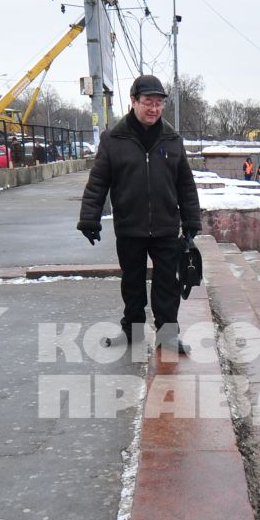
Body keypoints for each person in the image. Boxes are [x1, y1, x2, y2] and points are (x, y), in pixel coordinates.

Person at [78, 74, 202, 352]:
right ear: (133, 101)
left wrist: (192, 221)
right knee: (132, 283)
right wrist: (89, 218)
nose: (154, 109)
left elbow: (185, 184)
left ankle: (167, 335)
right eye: (148, 102)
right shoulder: (114, 139)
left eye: (159, 103)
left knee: (167, 284)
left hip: (166, 227)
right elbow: (98, 181)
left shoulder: (172, 139)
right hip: (129, 226)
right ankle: (132, 332)